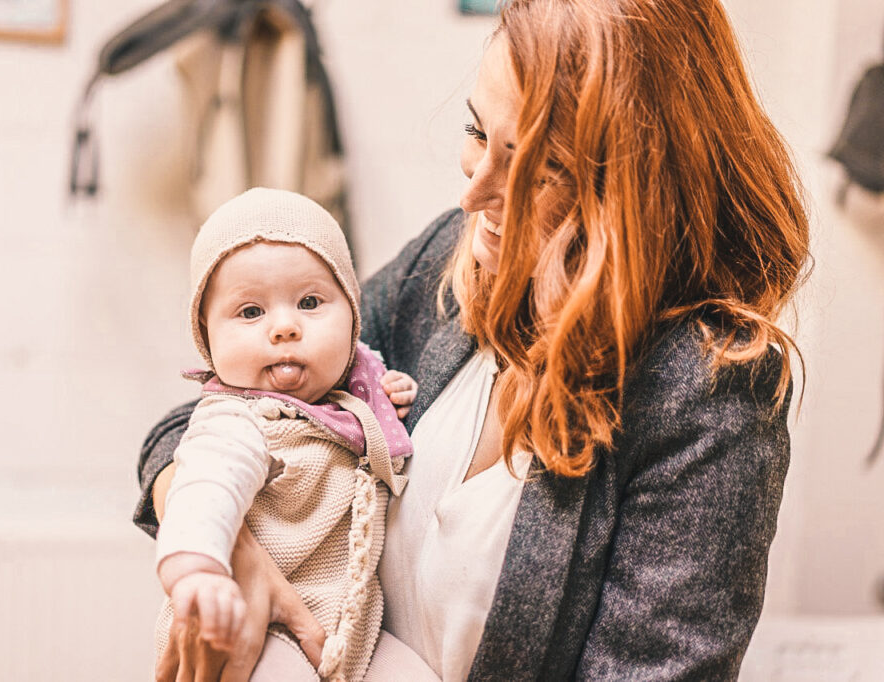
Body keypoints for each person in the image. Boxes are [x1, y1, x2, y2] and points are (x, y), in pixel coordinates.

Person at [134, 0, 811, 679]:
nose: (475, 193)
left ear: (636, 191)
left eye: (537, 171)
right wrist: (230, 553)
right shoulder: (452, 267)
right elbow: (206, 417)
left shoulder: (708, 399)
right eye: (476, 132)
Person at [154, 187, 431, 681]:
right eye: (251, 312)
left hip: (350, 631)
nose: (284, 327)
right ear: (207, 339)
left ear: (352, 318)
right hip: (250, 628)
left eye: (309, 302)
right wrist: (197, 570)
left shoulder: (352, 400)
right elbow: (205, 486)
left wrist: (392, 391)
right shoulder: (237, 421)